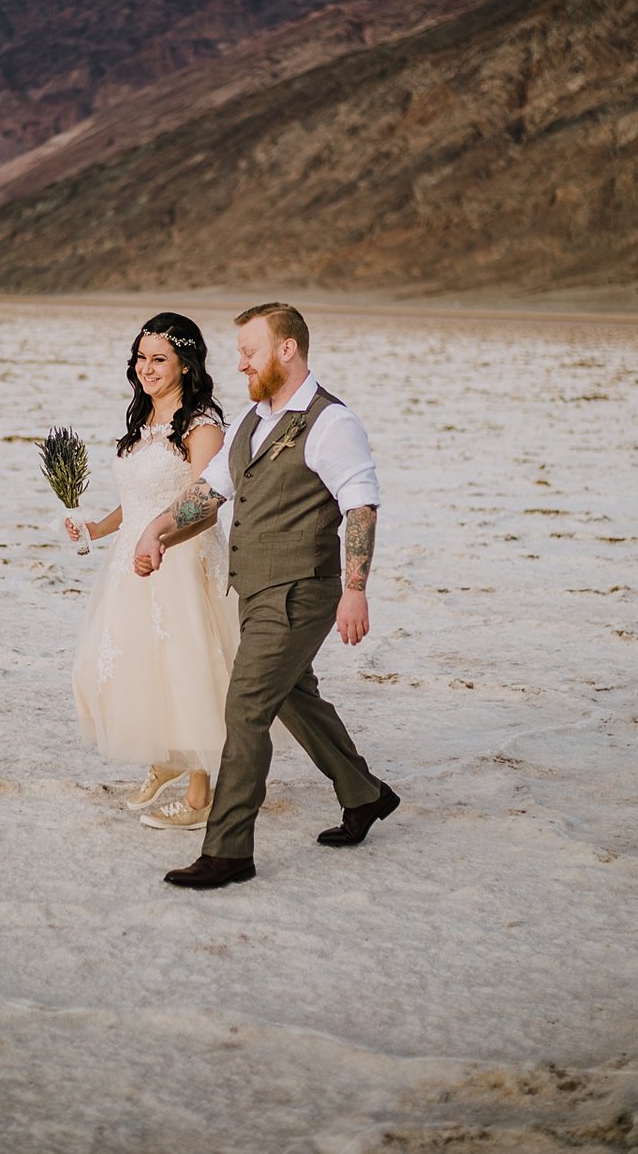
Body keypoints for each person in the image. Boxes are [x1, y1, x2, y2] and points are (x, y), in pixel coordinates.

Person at [134, 301, 398, 888]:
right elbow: (209, 492)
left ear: (287, 349)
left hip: (303, 589)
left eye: (250, 352)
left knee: (246, 705)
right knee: (290, 693)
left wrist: (355, 590)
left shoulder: (332, 423)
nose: (241, 363)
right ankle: (364, 793)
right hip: (252, 587)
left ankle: (229, 851)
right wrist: (157, 529)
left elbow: (360, 505)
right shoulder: (251, 422)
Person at [69, 312, 237, 830]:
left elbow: (202, 502)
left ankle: (200, 795)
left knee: (190, 669)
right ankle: (168, 758)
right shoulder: (142, 420)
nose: (147, 368)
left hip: (183, 558)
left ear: (186, 364)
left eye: (159, 359)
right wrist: (97, 528)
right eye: (141, 358)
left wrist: (161, 538)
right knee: (135, 665)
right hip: (132, 562)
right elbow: (140, 497)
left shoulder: (202, 422)